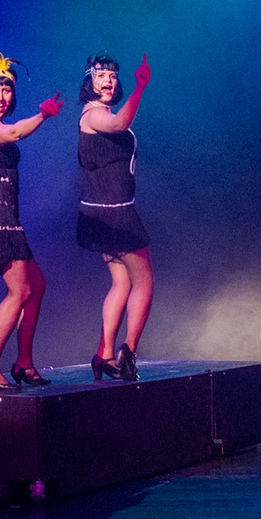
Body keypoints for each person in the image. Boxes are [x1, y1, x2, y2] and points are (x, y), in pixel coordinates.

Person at [0, 48, 64, 390]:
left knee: (36, 286)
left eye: (6, 90)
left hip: (6, 216)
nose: (0, 97)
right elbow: (13, 135)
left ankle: (23, 363)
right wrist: (42, 115)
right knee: (20, 290)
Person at [77, 52, 153, 382]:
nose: (108, 81)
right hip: (114, 212)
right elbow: (120, 124)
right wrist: (140, 88)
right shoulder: (94, 114)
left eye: (112, 76)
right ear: (88, 82)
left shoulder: (100, 112)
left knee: (121, 281)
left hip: (102, 210)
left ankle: (104, 354)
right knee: (144, 280)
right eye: (100, 76)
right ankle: (128, 353)